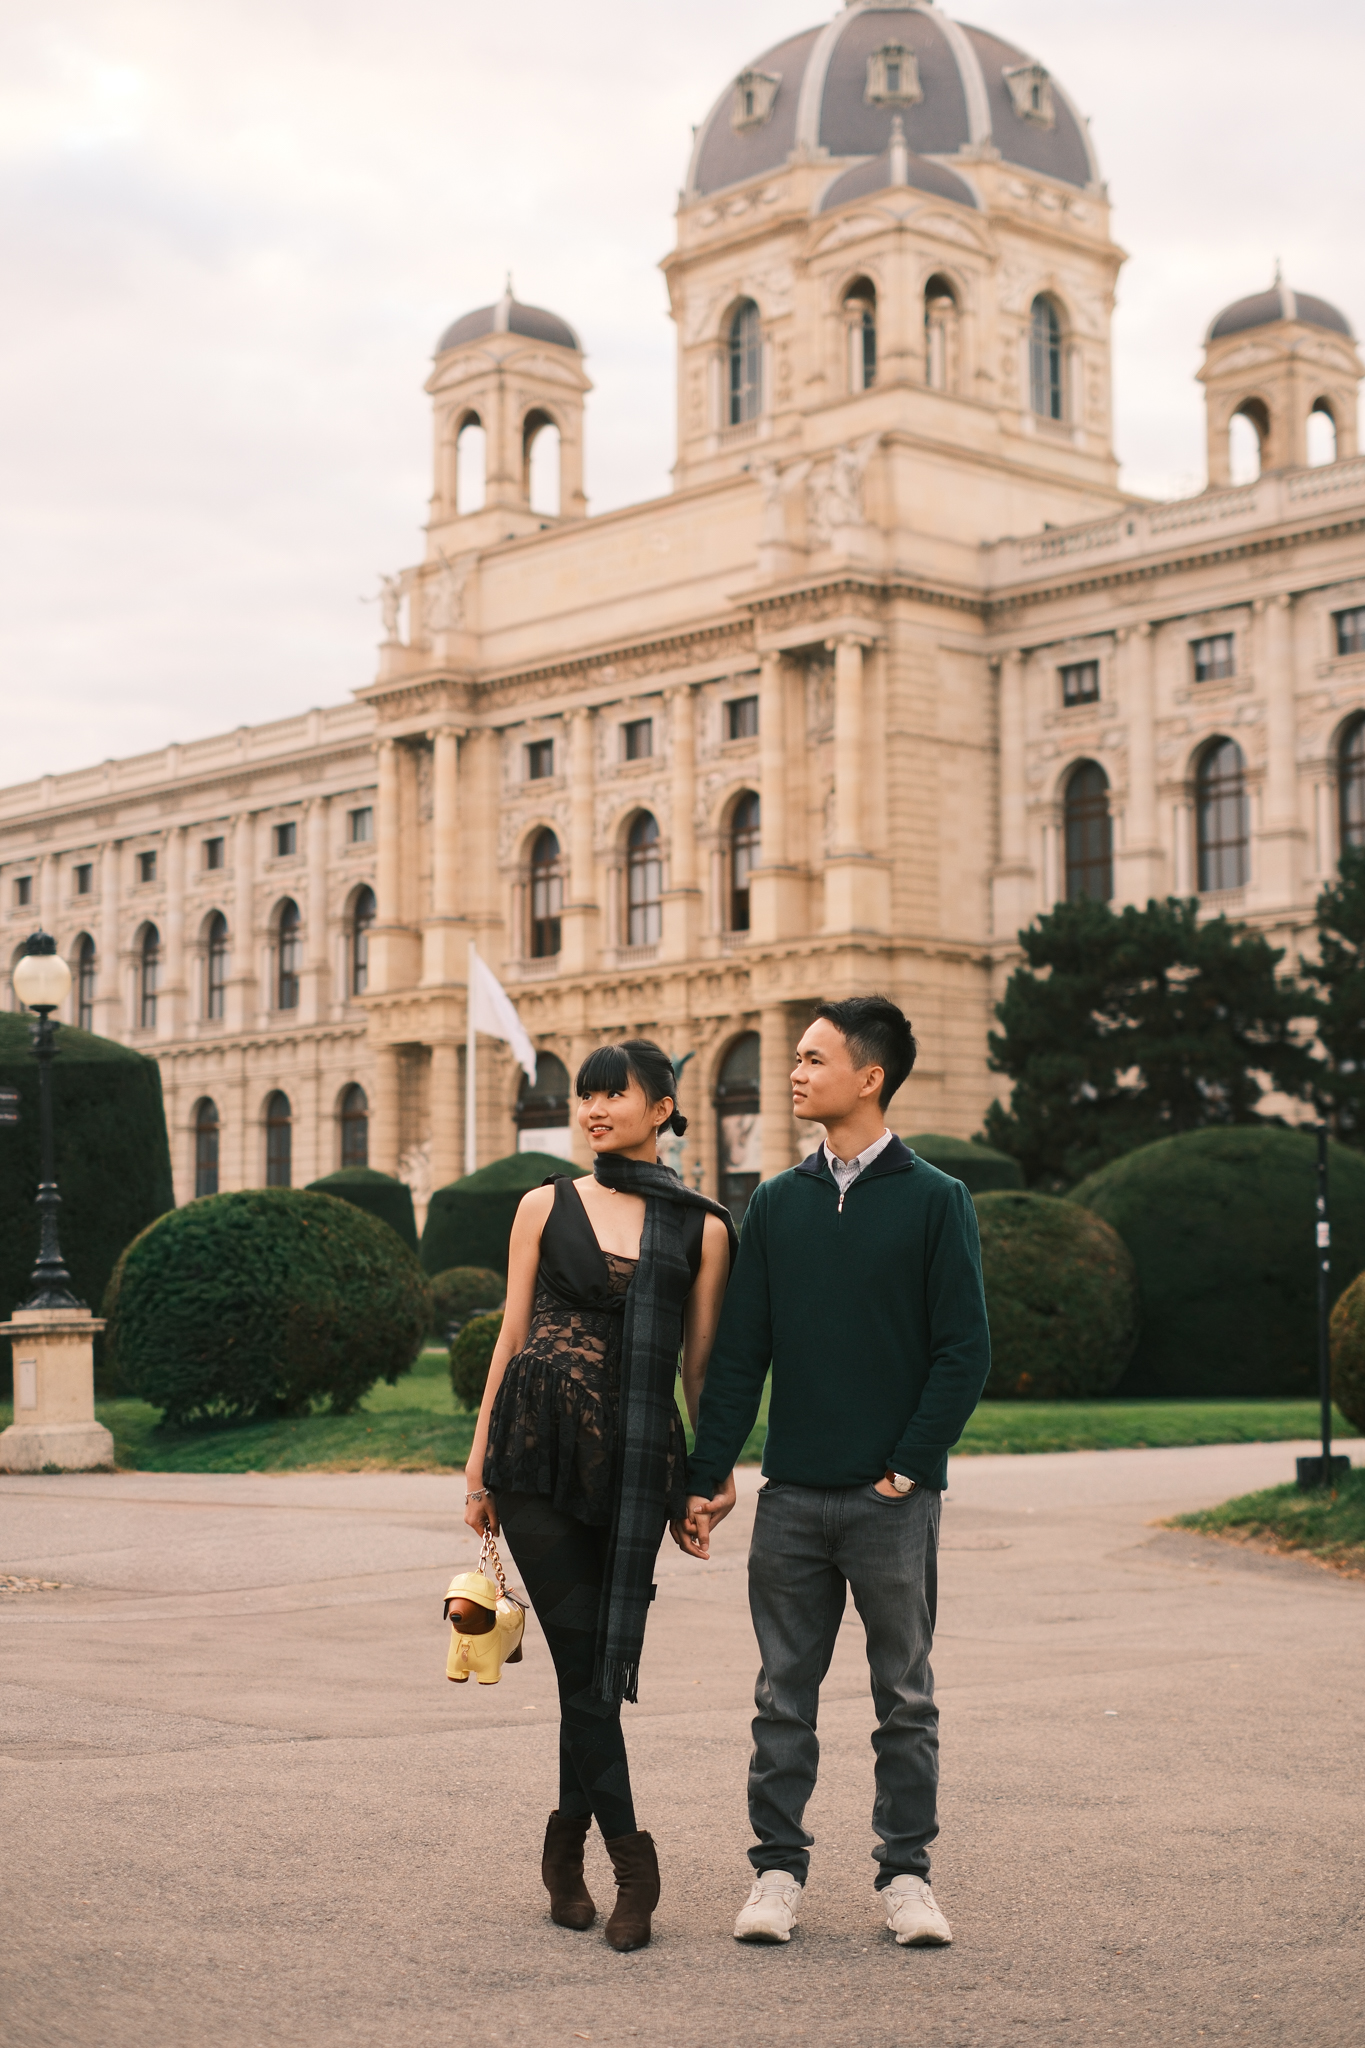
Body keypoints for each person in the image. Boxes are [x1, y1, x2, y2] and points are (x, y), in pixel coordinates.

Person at [676, 996, 990, 1949]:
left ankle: (906, 1878)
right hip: (793, 1501)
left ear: (871, 1077)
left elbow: (961, 1351)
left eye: (814, 1058)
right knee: (783, 1695)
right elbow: (739, 1355)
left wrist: (907, 1466)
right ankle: (775, 1873)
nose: (794, 1071)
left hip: (891, 1502)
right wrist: (707, 1472)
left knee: (904, 1697)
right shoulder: (774, 1204)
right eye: (795, 1057)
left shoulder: (937, 1200)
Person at [464, 1039, 735, 1952]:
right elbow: (508, 1337)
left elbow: (698, 1369)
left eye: (612, 1093)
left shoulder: (702, 1226)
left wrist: (710, 1475)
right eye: (584, 1094)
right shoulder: (544, 1203)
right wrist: (476, 1466)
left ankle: (563, 1849)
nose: (591, 1107)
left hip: (632, 1466)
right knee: (584, 1659)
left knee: (588, 1672)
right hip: (533, 1454)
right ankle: (633, 1864)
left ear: (661, 1108)